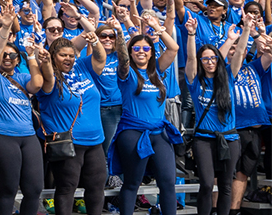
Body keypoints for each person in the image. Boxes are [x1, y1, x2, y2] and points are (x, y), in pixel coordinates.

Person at [30, 35, 107, 215]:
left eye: (71, 55)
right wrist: (46, 61)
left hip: (95, 141)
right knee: (66, 189)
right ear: (53, 56)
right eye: (63, 55)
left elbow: (101, 57)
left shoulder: (82, 67)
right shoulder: (48, 79)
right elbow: (48, 74)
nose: (68, 59)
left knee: (96, 188)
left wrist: (94, 39)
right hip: (68, 143)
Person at [0, 9, 43, 215]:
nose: (7, 58)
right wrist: (5, 29)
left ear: (18, 59)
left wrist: (31, 55)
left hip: (28, 136)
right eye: (4, 55)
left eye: (12, 55)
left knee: (34, 189)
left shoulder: (23, 77)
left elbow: (37, 83)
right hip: (3, 135)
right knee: (7, 190)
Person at [111, 29, 180, 215]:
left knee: (168, 182)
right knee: (133, 182)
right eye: (136, 48)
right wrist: (119, 34)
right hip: (133, 132)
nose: (141, 51)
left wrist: (159, 28)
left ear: (151, 51)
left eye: (145, 48)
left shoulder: (157, 69)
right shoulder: (127, 72)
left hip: (158, 131)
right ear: (131, 51)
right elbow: (123, 59)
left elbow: (173, 48)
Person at [184, 15, 248, 215]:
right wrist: (192, 34)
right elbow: (191, 58)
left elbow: (238, 53)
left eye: (213, 58)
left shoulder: (229, 76)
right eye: (206, 59)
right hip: (204, 139)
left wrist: (245, 30)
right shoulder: (196, 82)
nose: (210, 62)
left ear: (218, 60)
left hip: (229, 138)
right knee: (206, 184)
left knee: (227, 185)